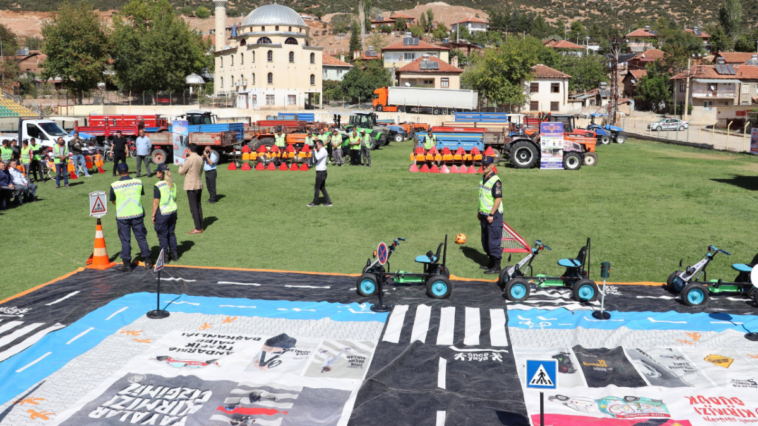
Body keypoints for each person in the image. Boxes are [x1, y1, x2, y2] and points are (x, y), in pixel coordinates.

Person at [110, 163, 151, 271]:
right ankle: (147, 261)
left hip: (123, 216)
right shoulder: (138, 182)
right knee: (141, 238)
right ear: (128, 170)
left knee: (125, 240)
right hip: (137, 214)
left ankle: (127, 265)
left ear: (118, 172)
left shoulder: (114, 185)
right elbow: (139, 194)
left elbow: (114, 201)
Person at [478, 156, 503, 274]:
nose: (484, 166)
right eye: (483, 164)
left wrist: (491, 214)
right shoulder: (482, 179)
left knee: (493, 241)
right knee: (486, 240)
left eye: (487, 164)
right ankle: (491, 263)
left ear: (492, 165)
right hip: (484, 215)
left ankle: (497, 266)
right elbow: (482, 197)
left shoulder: (496, 181)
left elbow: (498, 199)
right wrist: (479, 211)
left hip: (493, 216)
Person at [152, 163, 179, 262]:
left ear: (161, 173)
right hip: (172, 212)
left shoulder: (158, 185)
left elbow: (156, 202)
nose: (156, 173)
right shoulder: (173, 183)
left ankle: (165, 257)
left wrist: (153, 215)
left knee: (163, 236)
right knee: (171, 234)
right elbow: (175, 198)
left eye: (157, 172)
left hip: (162, 214)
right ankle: (175, 255)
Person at [178, 143, 204, 234]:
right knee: (198, 206)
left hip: (191, 185)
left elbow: (181, 172)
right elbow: (201, 171)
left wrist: (180, 166)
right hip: (198, 183)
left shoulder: (189, 159)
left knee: (194, 208)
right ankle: (200, 226)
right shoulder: (200, 158)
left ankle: (198, 228)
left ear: (189, 150)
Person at [307, 139, 332, 207]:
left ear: (320, 145)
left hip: (321, 172)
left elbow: (317, 157)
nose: (316, 146)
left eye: (317, 145)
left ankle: (315, 203)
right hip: (321, 172)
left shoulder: (323, 151)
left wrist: (315, 151)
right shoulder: (321, 150)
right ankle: (329, 202)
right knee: (322, 187)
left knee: (317, 187)